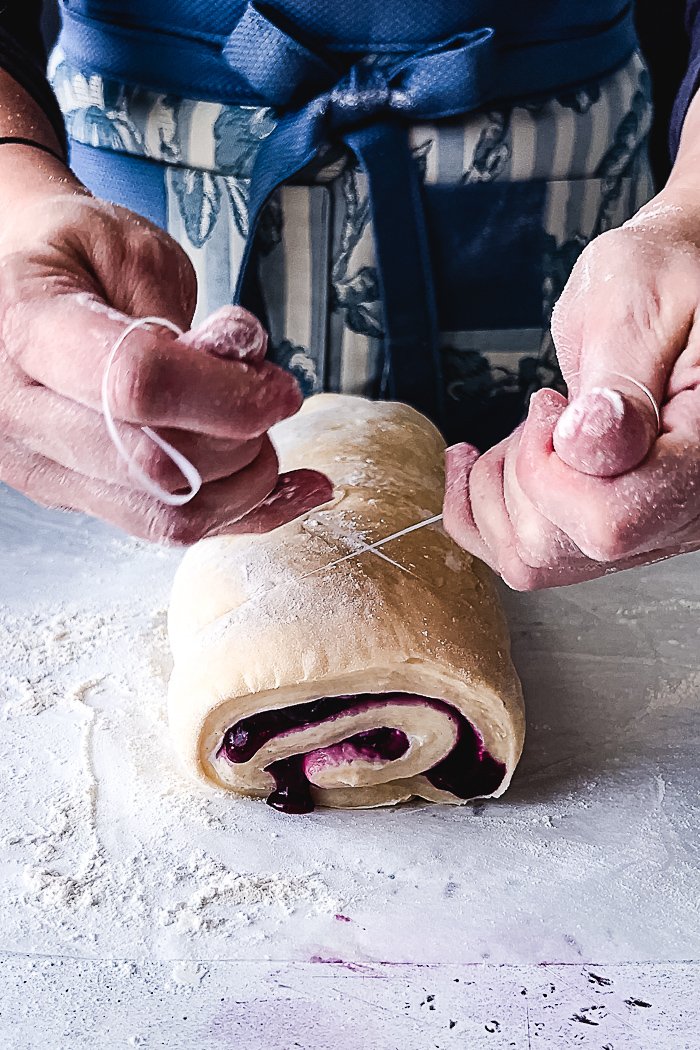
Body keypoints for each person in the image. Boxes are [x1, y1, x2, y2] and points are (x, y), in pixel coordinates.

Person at [0, 1, 697, 588]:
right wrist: (13, 200)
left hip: (591, 268)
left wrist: (691, 219)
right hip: (117, 262)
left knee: (595, 520)